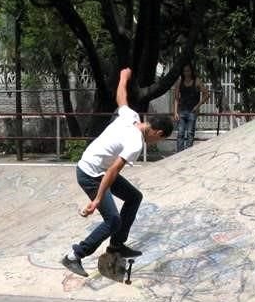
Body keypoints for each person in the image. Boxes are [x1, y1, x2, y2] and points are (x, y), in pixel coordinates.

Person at [61, 67, 173, 278]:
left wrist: (123, 77)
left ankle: (116, 246)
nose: (156, 142)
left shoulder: (131, 116)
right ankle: (74, 255)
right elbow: (113, 171)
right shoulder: (135, 143)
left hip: (98, 168)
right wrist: (98, 199)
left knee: (134, 197)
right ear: (157, 133)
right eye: (160, 139)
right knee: (113, 220)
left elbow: (121, 97)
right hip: (90, 173)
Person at [172, 63, 209, 152]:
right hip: (182, 110)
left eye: (188, 70)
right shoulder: (180, 82)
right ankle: (179, 153)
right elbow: (176, 97)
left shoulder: (197, 81)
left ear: (191, 71)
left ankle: (187, 153)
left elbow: (206, 94)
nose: (186, 73)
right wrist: (175, 112)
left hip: (192, 111)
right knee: (180, 133)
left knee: (190, 133)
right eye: (184, 71)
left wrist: (198, 105)